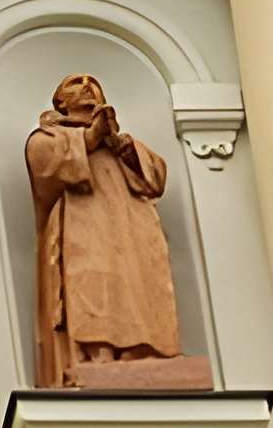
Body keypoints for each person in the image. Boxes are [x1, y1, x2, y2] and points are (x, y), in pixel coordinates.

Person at [22, 73, 183, 388]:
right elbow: (43, 165)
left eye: (92, 82)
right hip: (82, 228)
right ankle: (97, 355)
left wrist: (121, 146)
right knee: (92, 283)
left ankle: (141, 353)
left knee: (136, 283)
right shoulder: (48, 136)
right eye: (75, 83)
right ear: (61, 103)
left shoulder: (121, 143)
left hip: (130, 231)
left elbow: (156, 178)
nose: (86, 86)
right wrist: (90, 138)